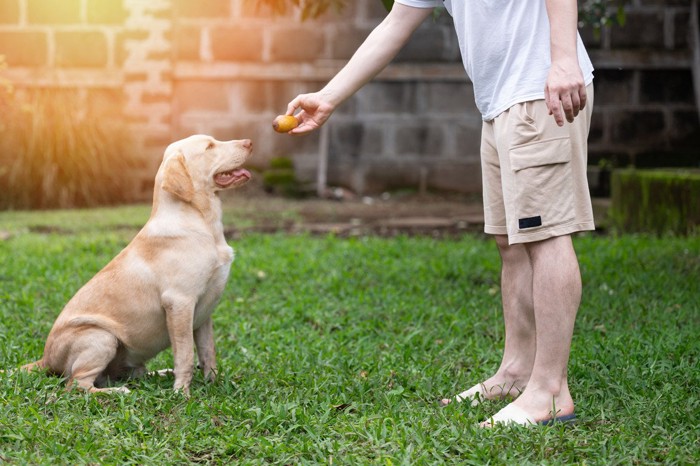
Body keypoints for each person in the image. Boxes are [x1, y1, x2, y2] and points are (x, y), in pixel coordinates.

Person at [283, 0, 594, 427]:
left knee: (546, 236)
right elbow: (394, 25)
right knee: (511, 242)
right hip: (500, 104)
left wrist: (562, 61)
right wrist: (328, 96)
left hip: (540, 91)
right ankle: (517, 371)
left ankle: (551, 390)